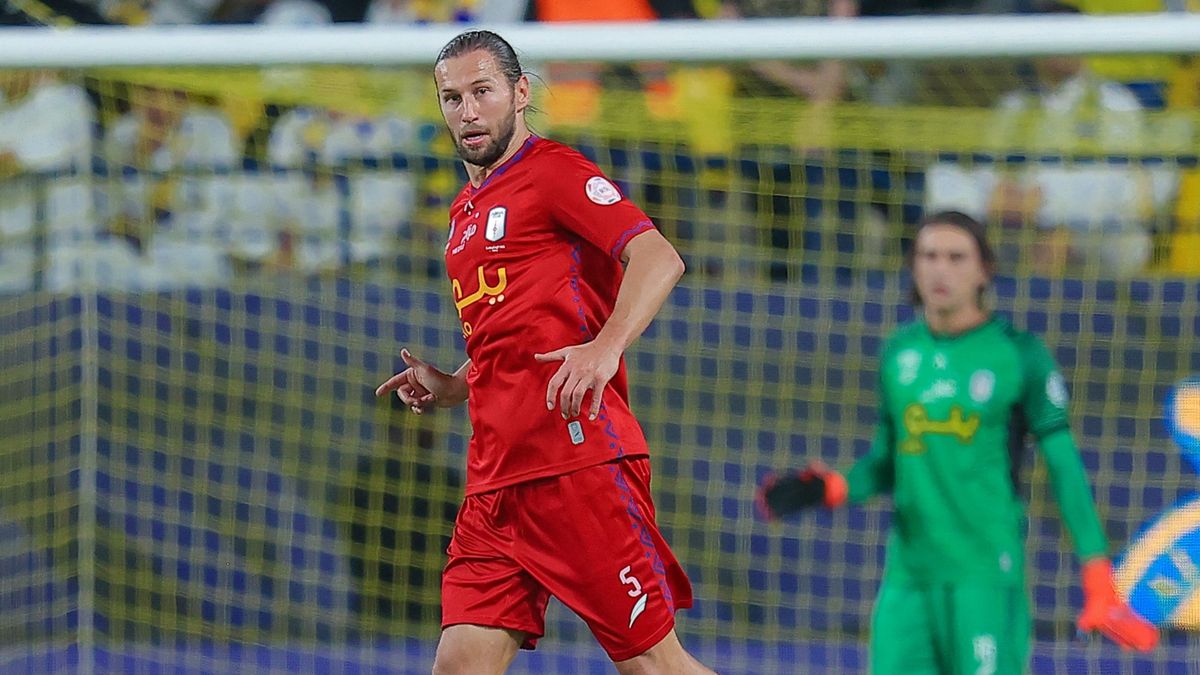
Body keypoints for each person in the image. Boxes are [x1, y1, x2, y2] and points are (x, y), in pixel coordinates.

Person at [374, 30, 714, 675]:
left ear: (520, 92)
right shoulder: (463, 211)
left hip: (575, 467)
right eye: (452, 98)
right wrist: (454, 385)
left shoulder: (554, 171)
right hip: (494, 482)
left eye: (482, 92)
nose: (467, 111)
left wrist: (605, 348)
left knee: (656, 668)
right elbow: (518, 337)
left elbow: (658, 256)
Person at [757, 211, 1159, 674]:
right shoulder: (899, 353)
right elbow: (888, 461)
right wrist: (833, 487)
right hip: (909, 578)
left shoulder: (1018, 354)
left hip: (985, 576)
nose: (939, 269)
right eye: (928, 256)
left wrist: (1096, 571)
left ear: (984, 269)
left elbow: (1064, 467)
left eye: (955, 257)